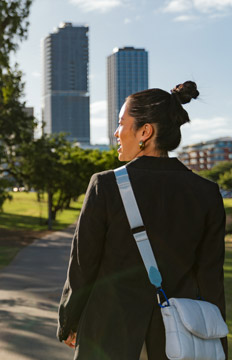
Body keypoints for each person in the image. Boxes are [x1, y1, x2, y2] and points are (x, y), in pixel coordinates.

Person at [57, 81, 227, 359]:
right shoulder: (207, 193)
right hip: (179, 342)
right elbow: (211, 280)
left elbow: (82, 267)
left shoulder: (105, 185)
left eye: (122, 123)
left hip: (107, 335)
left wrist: (69, 321)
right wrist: (217, 344)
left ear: (145, 132)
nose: (116, 132)